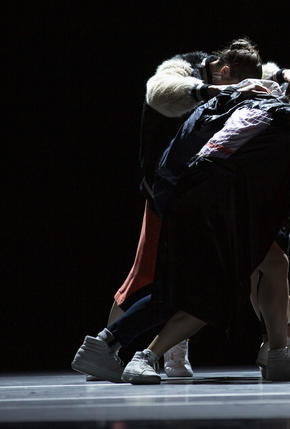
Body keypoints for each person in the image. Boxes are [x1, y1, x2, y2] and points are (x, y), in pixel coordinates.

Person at [74, 75, 290, 384]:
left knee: (273, 265)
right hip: (212, 206)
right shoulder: (281, 113)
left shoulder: (261, 114)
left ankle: (278, 351)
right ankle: (133, 352)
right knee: (201, 295)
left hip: (203, 200)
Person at [75, 38, 266, 382]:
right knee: (147, 277)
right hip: (164, 193)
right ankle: (106, 350)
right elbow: (159, 92)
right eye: (234, 86)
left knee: (188, 279)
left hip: (192, 196)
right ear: (223, 71)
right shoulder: (184, 70)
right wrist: (213, 92)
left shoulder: (230, 79)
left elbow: (280, 73)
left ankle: (165, 352)